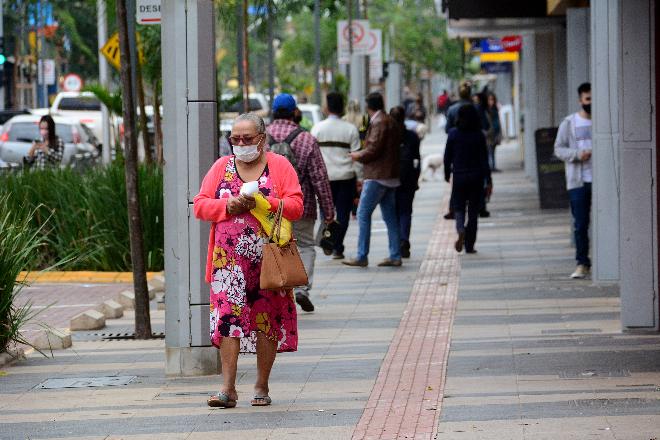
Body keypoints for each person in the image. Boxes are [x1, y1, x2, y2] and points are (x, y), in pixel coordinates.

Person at [193, 113, 304, 408]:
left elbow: (296, 205)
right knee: (228, 321)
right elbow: (201, 205)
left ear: (262, 139)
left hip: (268, 261)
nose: (240, 144)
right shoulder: (221, 167)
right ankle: (227, 389)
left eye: (247, 139)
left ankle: (261, 385)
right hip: (228, 265)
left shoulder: (279, 166)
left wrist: (265, 203)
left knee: (266, 320)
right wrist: (228, 205)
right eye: (235, 139)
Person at [267, 93, 335, 312]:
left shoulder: (261, 136)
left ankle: (276, 291)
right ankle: (301, 289)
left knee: (274, 246)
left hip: (268, 207)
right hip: (301, 205)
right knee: (305, 246)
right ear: (295, 112)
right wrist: (328, 211)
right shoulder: (305, 138)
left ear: (273, 111)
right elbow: (319, 177)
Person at [344, 92, 403, 268]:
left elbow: (373, 149)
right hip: (390, 175)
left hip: (377, 176)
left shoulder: (378, 122)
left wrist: (356, 155)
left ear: (368, 106)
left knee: (362, 213)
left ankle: (362, 255)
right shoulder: (390, 120)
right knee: (390, 217)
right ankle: (395, 254)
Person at [311, 92, 361, 260]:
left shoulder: (318, 128)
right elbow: (357, 157)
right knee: (343, 213)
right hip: (346, 176)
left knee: (326, 212)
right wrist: (359, 178)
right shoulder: (350, 129)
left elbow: (313, 156)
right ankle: (338, 246)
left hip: (325, 178)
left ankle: (330, 241)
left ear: (327, 107)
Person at [554, 82, 593, 279]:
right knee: (580, 224)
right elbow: (558, 148)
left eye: (594, 99)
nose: (591, 103)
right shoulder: (569, 123)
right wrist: (578, 154)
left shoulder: (604, 122)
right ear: (580, 100)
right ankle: (582, 262)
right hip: (578, 181)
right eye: (587, 99)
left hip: (600, 181)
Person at [444, 104, 492, 254]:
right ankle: (470, 245)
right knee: (473, 211)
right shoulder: (479, 135)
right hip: (476, 177)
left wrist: (447, 174)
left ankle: (460, 229)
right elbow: (485, 159)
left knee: (458, 207)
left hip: (459, 175)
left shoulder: (453, 134)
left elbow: (447, 157)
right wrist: (488, 180)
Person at [391, 106, 421, 259]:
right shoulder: (412, 136)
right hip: (408, 178)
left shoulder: (388, 135)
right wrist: (416, 178)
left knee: (393, 213)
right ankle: (404, 240)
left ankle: (396, 243)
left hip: (391, 178)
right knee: (406, 211)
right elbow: (417, 159)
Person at [485, 93, 502, 172]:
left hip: (495, 133)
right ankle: (490, 166)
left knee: (493, 151)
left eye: (492, 99)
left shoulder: (495, 109)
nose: (491, 101)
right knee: (489, 151)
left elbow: (497, 122)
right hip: (489, 134)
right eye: (489, 99)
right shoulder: (486, 110)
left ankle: (493, 166)